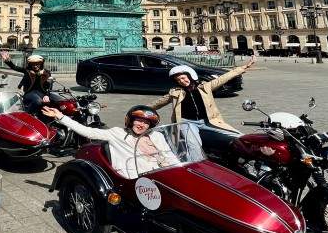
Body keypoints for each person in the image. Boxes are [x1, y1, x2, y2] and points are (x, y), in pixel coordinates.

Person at [42, 104, 179, 179]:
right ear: (130, 121)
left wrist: (180, 169)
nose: (141, 125)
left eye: (146, 123)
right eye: (138, 120)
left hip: (161, 173)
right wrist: (61, 116)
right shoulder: (117, 133)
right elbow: (87, 131)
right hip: (134, 178)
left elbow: (168, 154)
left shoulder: (156, 136)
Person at [148, 59, 254, 132]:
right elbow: (158, 103)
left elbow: (223, 78)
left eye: (184, 78)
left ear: (190, 76)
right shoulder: (175, 93)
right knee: (193, 145)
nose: (182, 81)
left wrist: (243, 67)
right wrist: (141, 109)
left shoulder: (205, 87)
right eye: (178, 80)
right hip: (187, 123)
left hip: (208, 121)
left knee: (235, 135)